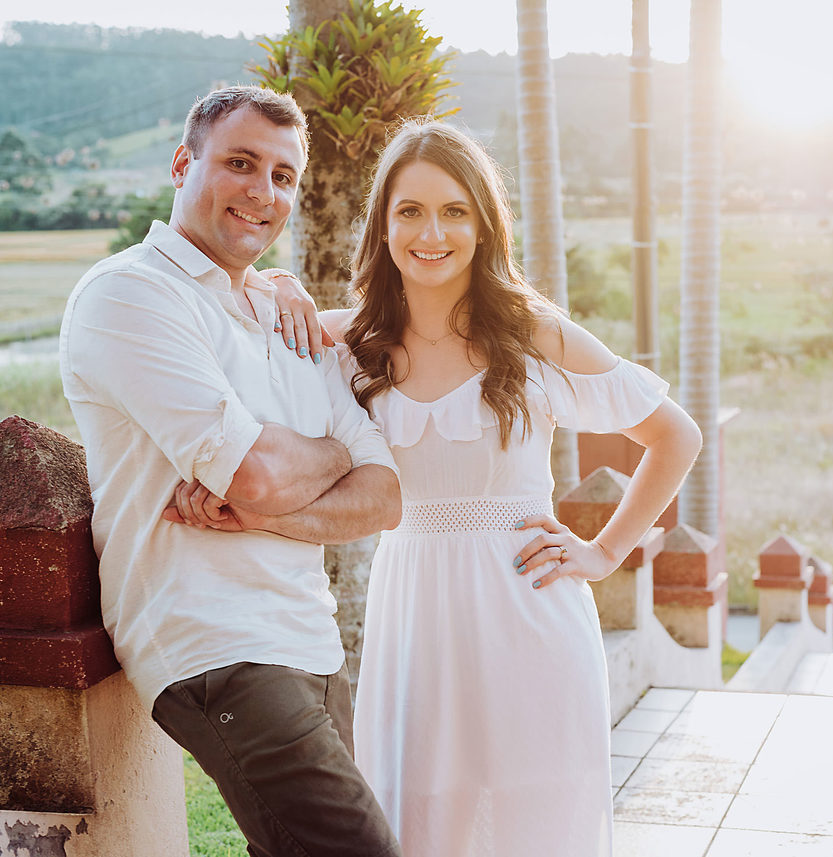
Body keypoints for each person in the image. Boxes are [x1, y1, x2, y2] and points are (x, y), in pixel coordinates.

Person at [265, 119, 703, 857]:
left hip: (530, 615)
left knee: (539, 826)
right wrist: (278, 282)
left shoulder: (535, 334)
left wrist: (603, 552)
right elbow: (235, 316)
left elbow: (675, 436)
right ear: (383, 225)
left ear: (483, 225)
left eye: (454, 211)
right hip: (414, 620)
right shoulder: (347, 344)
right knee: (420, 823)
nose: (431, 233)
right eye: (410, 211)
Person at [59, 86, 403, 857]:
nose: (262, 191)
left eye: (283, 176)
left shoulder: (287, 316)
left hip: (310, 638)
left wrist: (275, 499)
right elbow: (254, 473)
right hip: (215, 642)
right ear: (183, 165)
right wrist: (335, 452)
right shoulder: (130, 294)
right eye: (240, 163)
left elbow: (384, 496)